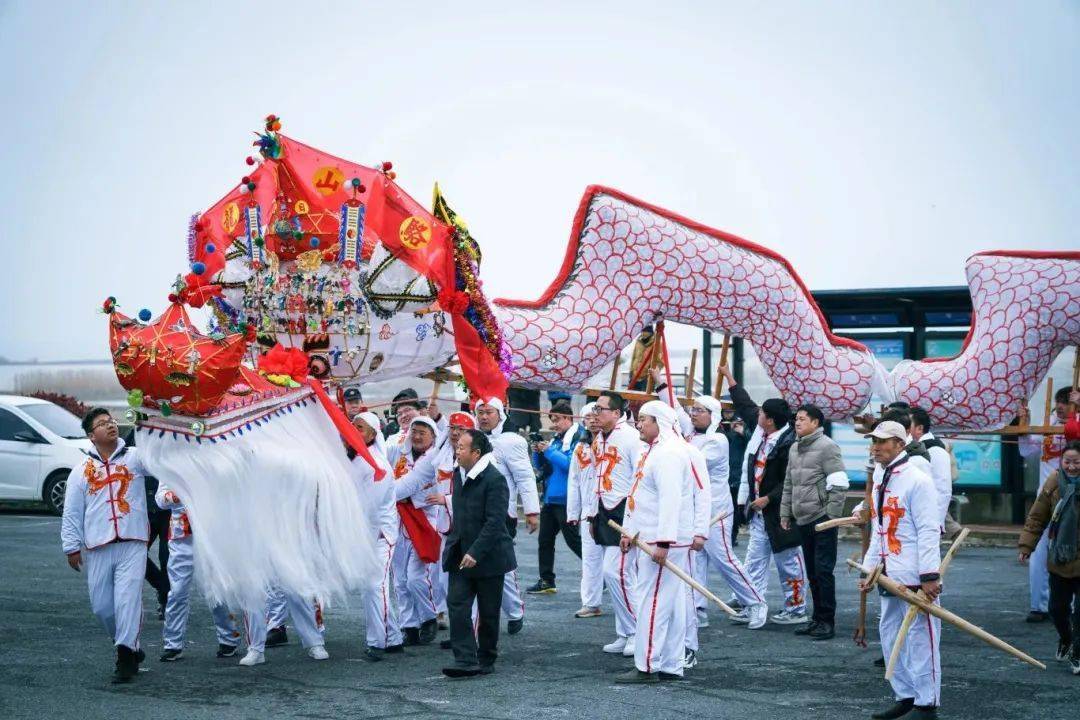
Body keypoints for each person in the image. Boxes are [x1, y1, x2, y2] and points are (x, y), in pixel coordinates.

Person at [651, 368, 766, 637]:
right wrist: (661, 384)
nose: (693, 414)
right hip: (693, 510)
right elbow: (675, 409)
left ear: (713, 416)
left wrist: (674, 440)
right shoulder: (689, 433)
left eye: (700, 410)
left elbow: (692, 463)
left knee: (722, 558)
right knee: (695, 559)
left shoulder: (717, 440)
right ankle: (697, 610)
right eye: (694, 409)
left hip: (716, 509)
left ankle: (756, 602)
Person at [859, 420, 942, 720]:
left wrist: (930, 575)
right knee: (890, 631)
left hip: (915, 571)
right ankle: (905, 694)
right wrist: (868, 568)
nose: (876, 447)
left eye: (882, 441)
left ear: (899, 443)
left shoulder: (917, 479)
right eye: (874, 441)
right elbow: (879, 528)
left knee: (922, 636)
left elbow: (929, 529)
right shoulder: (882, 476)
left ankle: (927, 702)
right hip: (887, 568)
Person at [61, 408, 150, 683]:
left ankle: (125, 657)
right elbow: (72, 512)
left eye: (111, 420)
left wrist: (151, 420)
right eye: (102, 424)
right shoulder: (81, 471)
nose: (110, 425)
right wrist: (71, 546)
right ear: (91, 436)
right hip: (98, 545)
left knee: (127, 600)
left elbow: (162, 457)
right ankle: (129, 645)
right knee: (102, 607)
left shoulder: (136, 458)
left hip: (132, 541)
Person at [614, 401, 694, 683]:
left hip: (662, 542)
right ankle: (671, 665)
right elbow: (640, 496)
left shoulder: (669, 453)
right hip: (648, 537)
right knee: (667, 604)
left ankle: (647, 665)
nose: (639, 423)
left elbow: (670, 501)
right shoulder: (652, 451)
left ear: (659, 421)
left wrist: (664, 542)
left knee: (654, 602)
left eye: (644, 419)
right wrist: (629, 530)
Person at [727, 374, 805, 627]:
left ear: (769, 420)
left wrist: (768, 499)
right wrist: (730, 379)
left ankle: (796, 609)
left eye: (762, 413)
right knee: (754, 562)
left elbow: (791, 480)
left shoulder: (790, 443)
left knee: (788, 563)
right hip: (759, 514)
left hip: (782, 514)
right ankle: (753, 605)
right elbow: (747, 406)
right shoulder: (763, 433)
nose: (756, 415)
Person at [442, 429, 517, 678]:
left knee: (488, 612)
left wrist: (475, 551)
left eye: (462, 447)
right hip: (460, 554)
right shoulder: (458, 473)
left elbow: (495, 522)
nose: (457, 450)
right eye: (457, 446)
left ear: (476, 453)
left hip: (489, 557)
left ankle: (486, 657)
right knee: (457, 604)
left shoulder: (495, 479)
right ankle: (464, 659)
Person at [780, 403, 849, 639]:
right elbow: (789, 483)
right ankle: (816, 619)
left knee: (823, 571)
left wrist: (831, 516)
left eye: (802, 419)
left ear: (815, 423)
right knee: (811, 572)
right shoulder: (794, 448)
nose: (797, 422)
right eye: (796, 419)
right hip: (802, 518)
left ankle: (827, 621)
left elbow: (839, 483)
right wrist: (785, 513)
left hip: (822, 519)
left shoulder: (827, 447)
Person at [474, 397, 540, 634]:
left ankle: (514, 610)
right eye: (480, 412)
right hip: (473, 513)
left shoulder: (513, 441)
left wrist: (531, 511)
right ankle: (475, 622)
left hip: (502, 513)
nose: (483, 417)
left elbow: (525, 477)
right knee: (472, 566)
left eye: (488, 412)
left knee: (501, 565)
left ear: (500, 414)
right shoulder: (471, 438)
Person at [155, 483, 242, 661]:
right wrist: (175, 496)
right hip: (181, 539)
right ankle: (173, 644)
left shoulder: (211, 460)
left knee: (216, 590)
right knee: (177, 592)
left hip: (211, 537)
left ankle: (228, 639)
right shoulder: (170, 462)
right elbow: (160, 499)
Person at [588, 390, 645, 655]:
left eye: (600, 409)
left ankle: (637, 632)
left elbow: (640, 480)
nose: (595, 413)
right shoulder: (598, 438)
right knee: (613, 574)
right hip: (604, 510)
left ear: (616, 413)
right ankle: (625, 631)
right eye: (595, 409)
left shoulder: (632, 438)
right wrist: (591, 513)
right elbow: (595, 478)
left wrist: (634, 523)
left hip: (625, 511)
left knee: (618, 572)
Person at [1019, 440, 1080, 675]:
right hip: (1060, 558)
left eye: (1076, 462)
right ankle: (1066, 638)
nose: (1072, 467)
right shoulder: (1054, 482)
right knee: (1057, 609)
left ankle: (1077, 652)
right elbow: (1037, 517)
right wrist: (1027, 545)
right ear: (1061, 462)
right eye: (1068, 462)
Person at [349, 411, 405, 662]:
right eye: (353, 426)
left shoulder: (379, 466)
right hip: (363, 534)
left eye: (360, 428)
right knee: (371, 588)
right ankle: (393, 637)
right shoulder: (352, 458)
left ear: (373, 434)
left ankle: (377, 642)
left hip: (380, 534)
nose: (354, 431)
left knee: (375, 586)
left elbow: (367, 507)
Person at [1018, 386, 1074, 623]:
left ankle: (1071, 604)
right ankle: (1038, 605)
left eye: (1066, 402)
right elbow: (1026, 450)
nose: (1060, 406)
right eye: (1058, 401)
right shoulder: (1047, 424)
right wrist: (1024, 426)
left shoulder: (1076, 426)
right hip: (1046, 498)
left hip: (1073, 499)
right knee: (1040, 552)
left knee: (1072, 552)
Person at [391, 415, 444, 646]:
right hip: (398, 520)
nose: (418, 436)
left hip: (424, 521)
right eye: (415, 431)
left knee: (415, 578)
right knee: (400, 579)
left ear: (433, 436)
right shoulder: (398, 453)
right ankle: (409, 625)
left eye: (424, 432)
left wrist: (380, 496)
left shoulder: (435, 458)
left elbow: (403, 488)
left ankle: (429, 615)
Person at [527, 400, 585, 594]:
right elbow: (544, 467)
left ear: (568, 418)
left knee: (573, 541)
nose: (554, 424)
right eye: (552, 420)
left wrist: (549, 451)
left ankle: (597, 573)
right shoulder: (557, 439)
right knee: (544, 541)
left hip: (567, 499)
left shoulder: (579, 437)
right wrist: (538, 452)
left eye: (557, 419)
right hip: (552, 498)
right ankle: (546, 580)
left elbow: (571, 465)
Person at [566, 403, 605, 618]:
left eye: (595, 416)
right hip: (588, 511)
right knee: (590, 558)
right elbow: (574, 481)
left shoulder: (612, 443)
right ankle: (591, 603)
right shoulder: (580, 448)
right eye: (587, 417)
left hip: (612, 510)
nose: (591, 420)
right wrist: (573, 512)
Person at [909, 407, 955, 534]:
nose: (905, 429)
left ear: (919, 428)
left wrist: (935, 524)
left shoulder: (935, 450)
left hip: (926, 524)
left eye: (908, 425)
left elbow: (943, 490)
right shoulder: (911, 449)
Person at [628, 326, 664, 391]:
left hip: (647, 378)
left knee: (645, 400)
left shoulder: (657, 343)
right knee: (631, 399)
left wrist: (652, 375)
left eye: (646, 332)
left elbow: (660, 362)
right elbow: (634, 357)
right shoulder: (638, 341)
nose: (643, 334)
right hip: (634, 376)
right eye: (643, 332)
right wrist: (631, 372)